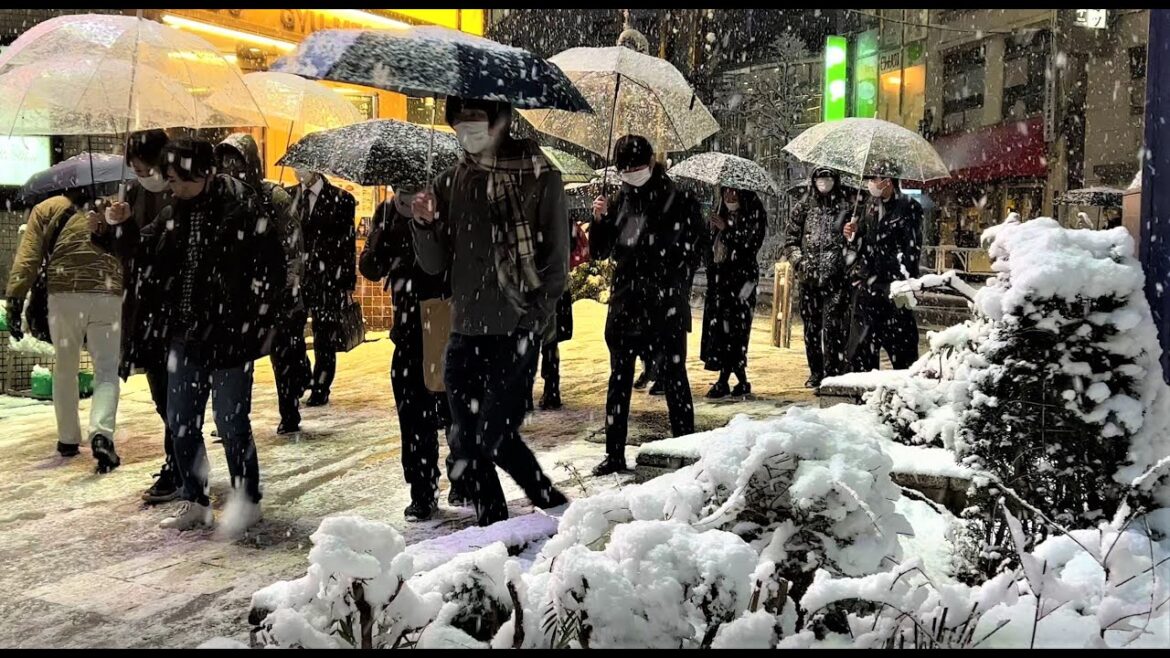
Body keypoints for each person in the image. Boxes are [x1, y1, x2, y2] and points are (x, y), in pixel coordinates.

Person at [104, 139, 285, 532]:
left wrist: (253, 318)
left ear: (204, 173)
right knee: (181, 419)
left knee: (231, 421)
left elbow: (272, 271)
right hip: (184, 335)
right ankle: (194, 498)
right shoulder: (173, 214)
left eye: (180, 179)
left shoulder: (243, 211)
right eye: (170, 180)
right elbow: (143, 258)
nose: (174, 187)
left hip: (231, 336)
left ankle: (247, 497)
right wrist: (120, 227)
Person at [411, 96, 569, 527]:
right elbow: (434, 264)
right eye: (459, 120)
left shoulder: (539, 175)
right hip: (465, 330)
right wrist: (424, 223)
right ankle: (495, 526)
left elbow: (556, 262)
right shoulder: (450, 181)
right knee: (465, 442)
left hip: (515, 328)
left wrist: (533, 321)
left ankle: (554, 505)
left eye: (476, 117)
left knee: (495, 435)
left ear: (500, 120)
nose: (467, 127)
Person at [589, 134, 702, 476]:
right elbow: (600, 252)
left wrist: (673, 281)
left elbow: (695, 249)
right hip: (626, 306)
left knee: (675, 379)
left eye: (636, 168)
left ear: (651, 162)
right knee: (618, 381)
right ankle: (614, 453)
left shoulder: (678, 198)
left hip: (664, 306)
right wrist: (599, 220)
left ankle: (686, 449)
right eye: (624, 170)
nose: (631, 174)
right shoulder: (618, 199)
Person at [6, 186, 123, 472]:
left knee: (65, 367)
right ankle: (101, 435)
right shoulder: (113, 205)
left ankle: (68, 438)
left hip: (64, 293)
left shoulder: (47, 208)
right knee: (106, 368)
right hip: (107, 291)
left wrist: (15, 299)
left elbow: (29, 257)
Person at [91, 129, 177, 498]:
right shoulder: (136, 194)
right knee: (164, 397)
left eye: (145, 168)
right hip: (143, 309)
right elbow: (132, 253)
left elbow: (156, 253)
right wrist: (105, 230)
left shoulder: (180, 195)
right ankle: (182, 462)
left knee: (176, 399)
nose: (141, 176)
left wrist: (126, 229)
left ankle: (180, 465)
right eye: (136, 170)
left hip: (174, 309)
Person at [360, 188, 452, 521]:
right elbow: (370, 268)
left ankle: (464, 476)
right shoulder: (388, 211)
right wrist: (383, 232)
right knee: (413, 415)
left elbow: (451, 260)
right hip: (408, 328)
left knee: (453, 409)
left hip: (444, 321)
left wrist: (428, 224)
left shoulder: (445, 203)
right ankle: (422, 490)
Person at [215, 134, 308, 435]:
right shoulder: (223, 199)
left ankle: (289, 409)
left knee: (283, 355)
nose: (230, 167)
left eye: (236, 161)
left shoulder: (272, 196)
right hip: (240, 294)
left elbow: (293, 244)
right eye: (225, 162)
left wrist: (291, 286)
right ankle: (234, 413)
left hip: (275, 290)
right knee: (239, 359)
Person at [844, 161, 924, 372]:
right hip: (867, 286)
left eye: (875, 179)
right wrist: (852, 234)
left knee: (902, 349)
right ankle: (863, 387)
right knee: (861, 350)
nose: (871, 183)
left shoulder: (909, 207)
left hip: (895, 287)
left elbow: (911, 250)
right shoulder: (869, 206)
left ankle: (904, 386)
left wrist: (903, 279)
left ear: (888, 181)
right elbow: (860, 242)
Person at [288, 167, 357, 408]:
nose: (299, 171)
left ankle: (321, 385)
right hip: (297, 277)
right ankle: (303, 374)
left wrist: (347, 282)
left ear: (316, 169)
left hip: (328, 277)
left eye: (303, 166)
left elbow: (347, 243)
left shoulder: (341, 199)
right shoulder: (288, 197)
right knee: (292, 332)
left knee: (324, 336)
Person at [784, 167, 853, 388]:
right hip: (809, 279)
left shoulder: (846, 207)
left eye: (828, 178)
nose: (824, 182)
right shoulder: (803, 207)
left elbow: (855, 241)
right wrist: (800, 263)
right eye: (820, 178)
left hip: (836, 278)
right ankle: (816, 371)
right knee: (811, 328)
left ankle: (833, 371)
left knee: (834, 328)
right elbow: (791, 240)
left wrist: (844, 257)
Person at [700, 185, 767, 398]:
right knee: (720, 330)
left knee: (735, 331)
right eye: (726, 191)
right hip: (719, 281)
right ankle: (741, 380)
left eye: (734, 192)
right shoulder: (721, 212)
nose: (729, 196)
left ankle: (723, 380)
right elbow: (709, 247)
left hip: (741, 283)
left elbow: (749, 246)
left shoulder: (753, 215)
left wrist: (727, 229)